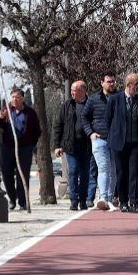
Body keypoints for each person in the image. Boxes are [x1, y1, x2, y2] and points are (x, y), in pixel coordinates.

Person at [106, 73, 138, 213]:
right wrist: (113, 137)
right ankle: (123, 202)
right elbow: (108, 120)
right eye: (137, 84)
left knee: (135, 172)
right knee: (121, 172)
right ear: (129, 84)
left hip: (136, 142)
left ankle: (134, 202)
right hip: (119, 143)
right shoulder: (114, 99)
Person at [0, 87, 41, 211]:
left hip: (24, 149)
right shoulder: (6, 111)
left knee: (23, 174)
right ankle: (12, 199)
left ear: (22, 99)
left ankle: (23, 201)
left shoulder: (30, 113)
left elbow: (37, 131)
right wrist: (0, 118)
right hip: (8, 147)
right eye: (13, 97)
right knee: (6, 174)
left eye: (17, 97)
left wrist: (31, 144)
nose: (15, 100)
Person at [53, 80, 91, 211]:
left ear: (82, 91)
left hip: (86, 146)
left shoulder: (90, 104)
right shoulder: (67, 105)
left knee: (85, 174)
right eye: (72, 91)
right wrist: (57, 145)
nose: (72, 93)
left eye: (75, 91)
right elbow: (58, 126)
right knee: (73, 171)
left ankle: (83, 200)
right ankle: (74, 201)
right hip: (70, 146)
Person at [82, 73, 117, 211]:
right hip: (99, 140)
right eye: (108, 81)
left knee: (113, 170)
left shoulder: (119, 98)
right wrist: (90, 133)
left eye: (113, 81)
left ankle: (109, 198)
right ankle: (103, 197)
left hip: (115, 140)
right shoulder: (93, 99)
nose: (111, 84)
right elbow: (84, 117)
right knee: (103, 168)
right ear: (102, 82)